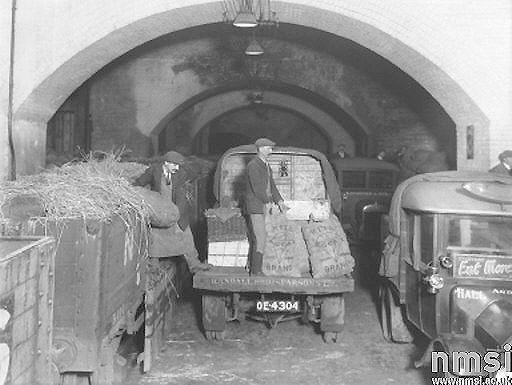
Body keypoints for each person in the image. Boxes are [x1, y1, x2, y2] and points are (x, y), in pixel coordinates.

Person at [134, 150, 210, 273]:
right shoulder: (154, 170)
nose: (177, 168)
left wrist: (178, 213)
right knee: (156, 237)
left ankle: (194, 264)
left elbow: (181, 193)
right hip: (159, 211)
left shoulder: (180, 174)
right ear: (166, 163)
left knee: (185, 236)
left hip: (176, 209)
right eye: (174, 165)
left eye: (178, 165)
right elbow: (139, 183)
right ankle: (153, 264)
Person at [245, 138, 289, 276]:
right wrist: (268, 201)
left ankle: (255, 268)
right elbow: (258, 189)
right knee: (260, 237)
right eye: (269, 148)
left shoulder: (265, 165)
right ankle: (255, 271)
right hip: (256, 206)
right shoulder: (253, 165)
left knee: (262, 237)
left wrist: (280, 201)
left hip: (262, 205)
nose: (271, 150)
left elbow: (272, 186)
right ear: (262, 149)